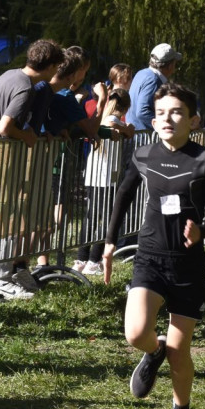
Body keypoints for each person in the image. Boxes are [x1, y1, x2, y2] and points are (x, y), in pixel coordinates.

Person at [102, 84, 205, 409]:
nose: (168, 118)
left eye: (176, 112)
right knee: (135, 333)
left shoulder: (204, 159)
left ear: (194, 120)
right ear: (153, 120)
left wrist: (201, 229)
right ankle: (151, 349)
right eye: (161, 113)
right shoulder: (142, 155)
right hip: (150, 258)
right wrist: (109, 242)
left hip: (188, 266)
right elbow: (123, 196)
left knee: (180, 352)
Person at [0, 39, 64, 298]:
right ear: (49, 66)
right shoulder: (26, 88)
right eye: (55, 67)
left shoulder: (8, 75)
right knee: (6, 221)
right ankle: (2, 279)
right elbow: (5, 127)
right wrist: (26, 135)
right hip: (5, 161)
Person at [74, 88, 133, 276]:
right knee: (105, 218)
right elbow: (112, 126)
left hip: (99, 174)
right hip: (104, 176)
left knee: (93, 217)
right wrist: (125, 129)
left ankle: (83, 258)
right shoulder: (113, 120)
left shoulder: (111, 119)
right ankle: (92, 260)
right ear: (126, 106)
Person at [126, 43, 182, 131]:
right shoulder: (154, 80)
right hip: (143, 139)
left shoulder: (141, 73)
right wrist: (165, 126)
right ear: (170, 66)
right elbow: (142, 112)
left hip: (134, 135)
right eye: (175, 63)